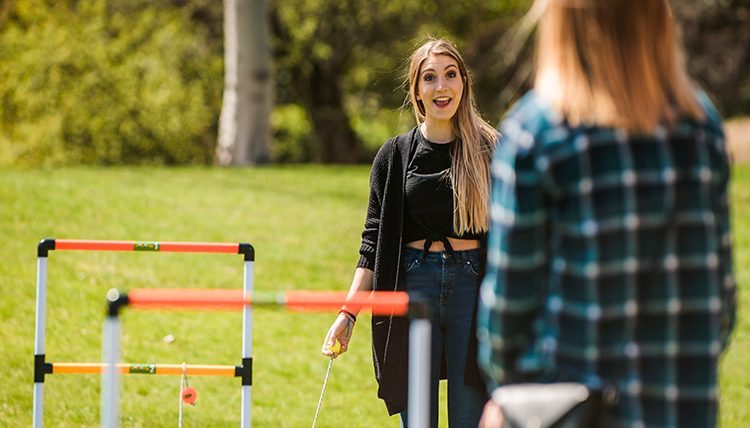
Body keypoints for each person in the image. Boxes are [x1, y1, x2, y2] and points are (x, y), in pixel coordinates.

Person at [476, 1, 737, 427]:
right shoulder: (701, 127)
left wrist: (518, 394)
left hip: (573, 410)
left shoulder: (537, 132)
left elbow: (507, 319)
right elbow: (721, 308)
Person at [321, 38, 498, 427]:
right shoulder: (394, 156)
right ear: (417, 90)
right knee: (418, 420)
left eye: (451, 75)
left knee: (472, 415)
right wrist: (347, 313)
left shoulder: (489, 151)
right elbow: (372, 245)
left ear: (463, 83)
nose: (442, 87)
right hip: (411, 287)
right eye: (430, 78)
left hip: (474, 289)